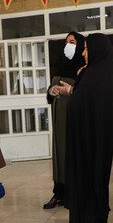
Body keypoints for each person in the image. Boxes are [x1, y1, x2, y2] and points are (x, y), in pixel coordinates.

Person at [65, 33, 113, 223]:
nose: (84, 52)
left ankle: (94, 221)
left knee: (92, 176)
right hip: (90, 137)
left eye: (87, 48)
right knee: (93, 176)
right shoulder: (99, 71)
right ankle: (92, 219)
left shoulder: (97, 75)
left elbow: (81, 103)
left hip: (91, 139)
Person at [43, 31, 86, 209]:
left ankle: (72, 194)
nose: (69, 45)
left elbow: (86, 93)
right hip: (58, 120)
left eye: (73, 42)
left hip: (72, 120)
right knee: (59, 155)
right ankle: (58, 193)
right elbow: (51, 91)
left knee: (70, 154)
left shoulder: (84, 68)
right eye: (67, 42)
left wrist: (70, 91)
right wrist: (51, 90)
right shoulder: (62, 66)